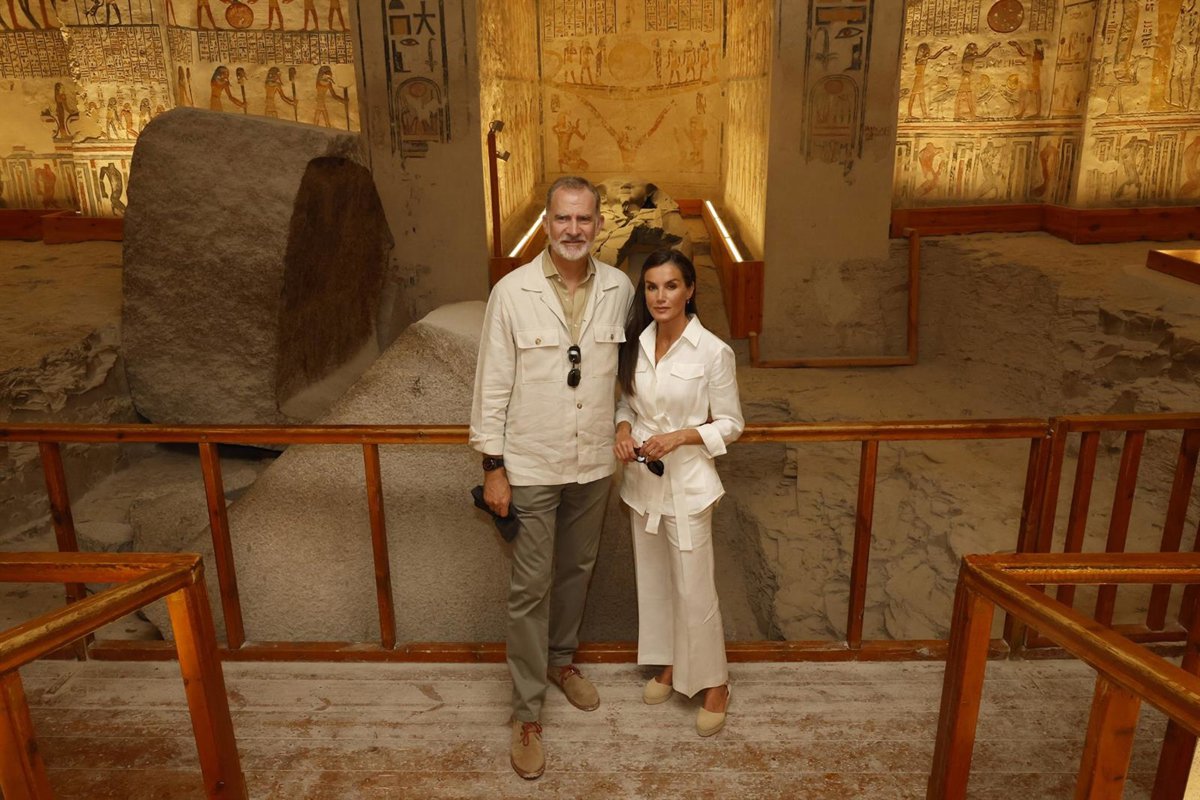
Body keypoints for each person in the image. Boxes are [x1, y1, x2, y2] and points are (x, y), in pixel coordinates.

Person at [470, 176, 634, 780]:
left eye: (584, 219)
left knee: (577, 569)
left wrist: (623, 421)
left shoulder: (619, 289)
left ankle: (562, 661)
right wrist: (493, 467)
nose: (573, 229)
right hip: (532, 462)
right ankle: (526, 711)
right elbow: (491, 384)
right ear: (546, 223)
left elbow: (628, 376)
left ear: (599, 225)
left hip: (592, 462)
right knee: (530, 587)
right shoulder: (512, 292)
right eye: (563, 218)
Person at [612, 248, 743, 737]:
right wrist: (623, 430)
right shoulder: (636, 343)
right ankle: (670, 663)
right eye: (651, 287)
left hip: (688, 486)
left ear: (689, 290)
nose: (660, 296)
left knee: (694, 587)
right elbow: (626, 402)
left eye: (670, 286)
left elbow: (731, 423)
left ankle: (715, 682)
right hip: (642, 484)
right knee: (657, 582)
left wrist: (681, 436)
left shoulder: (712, 351)